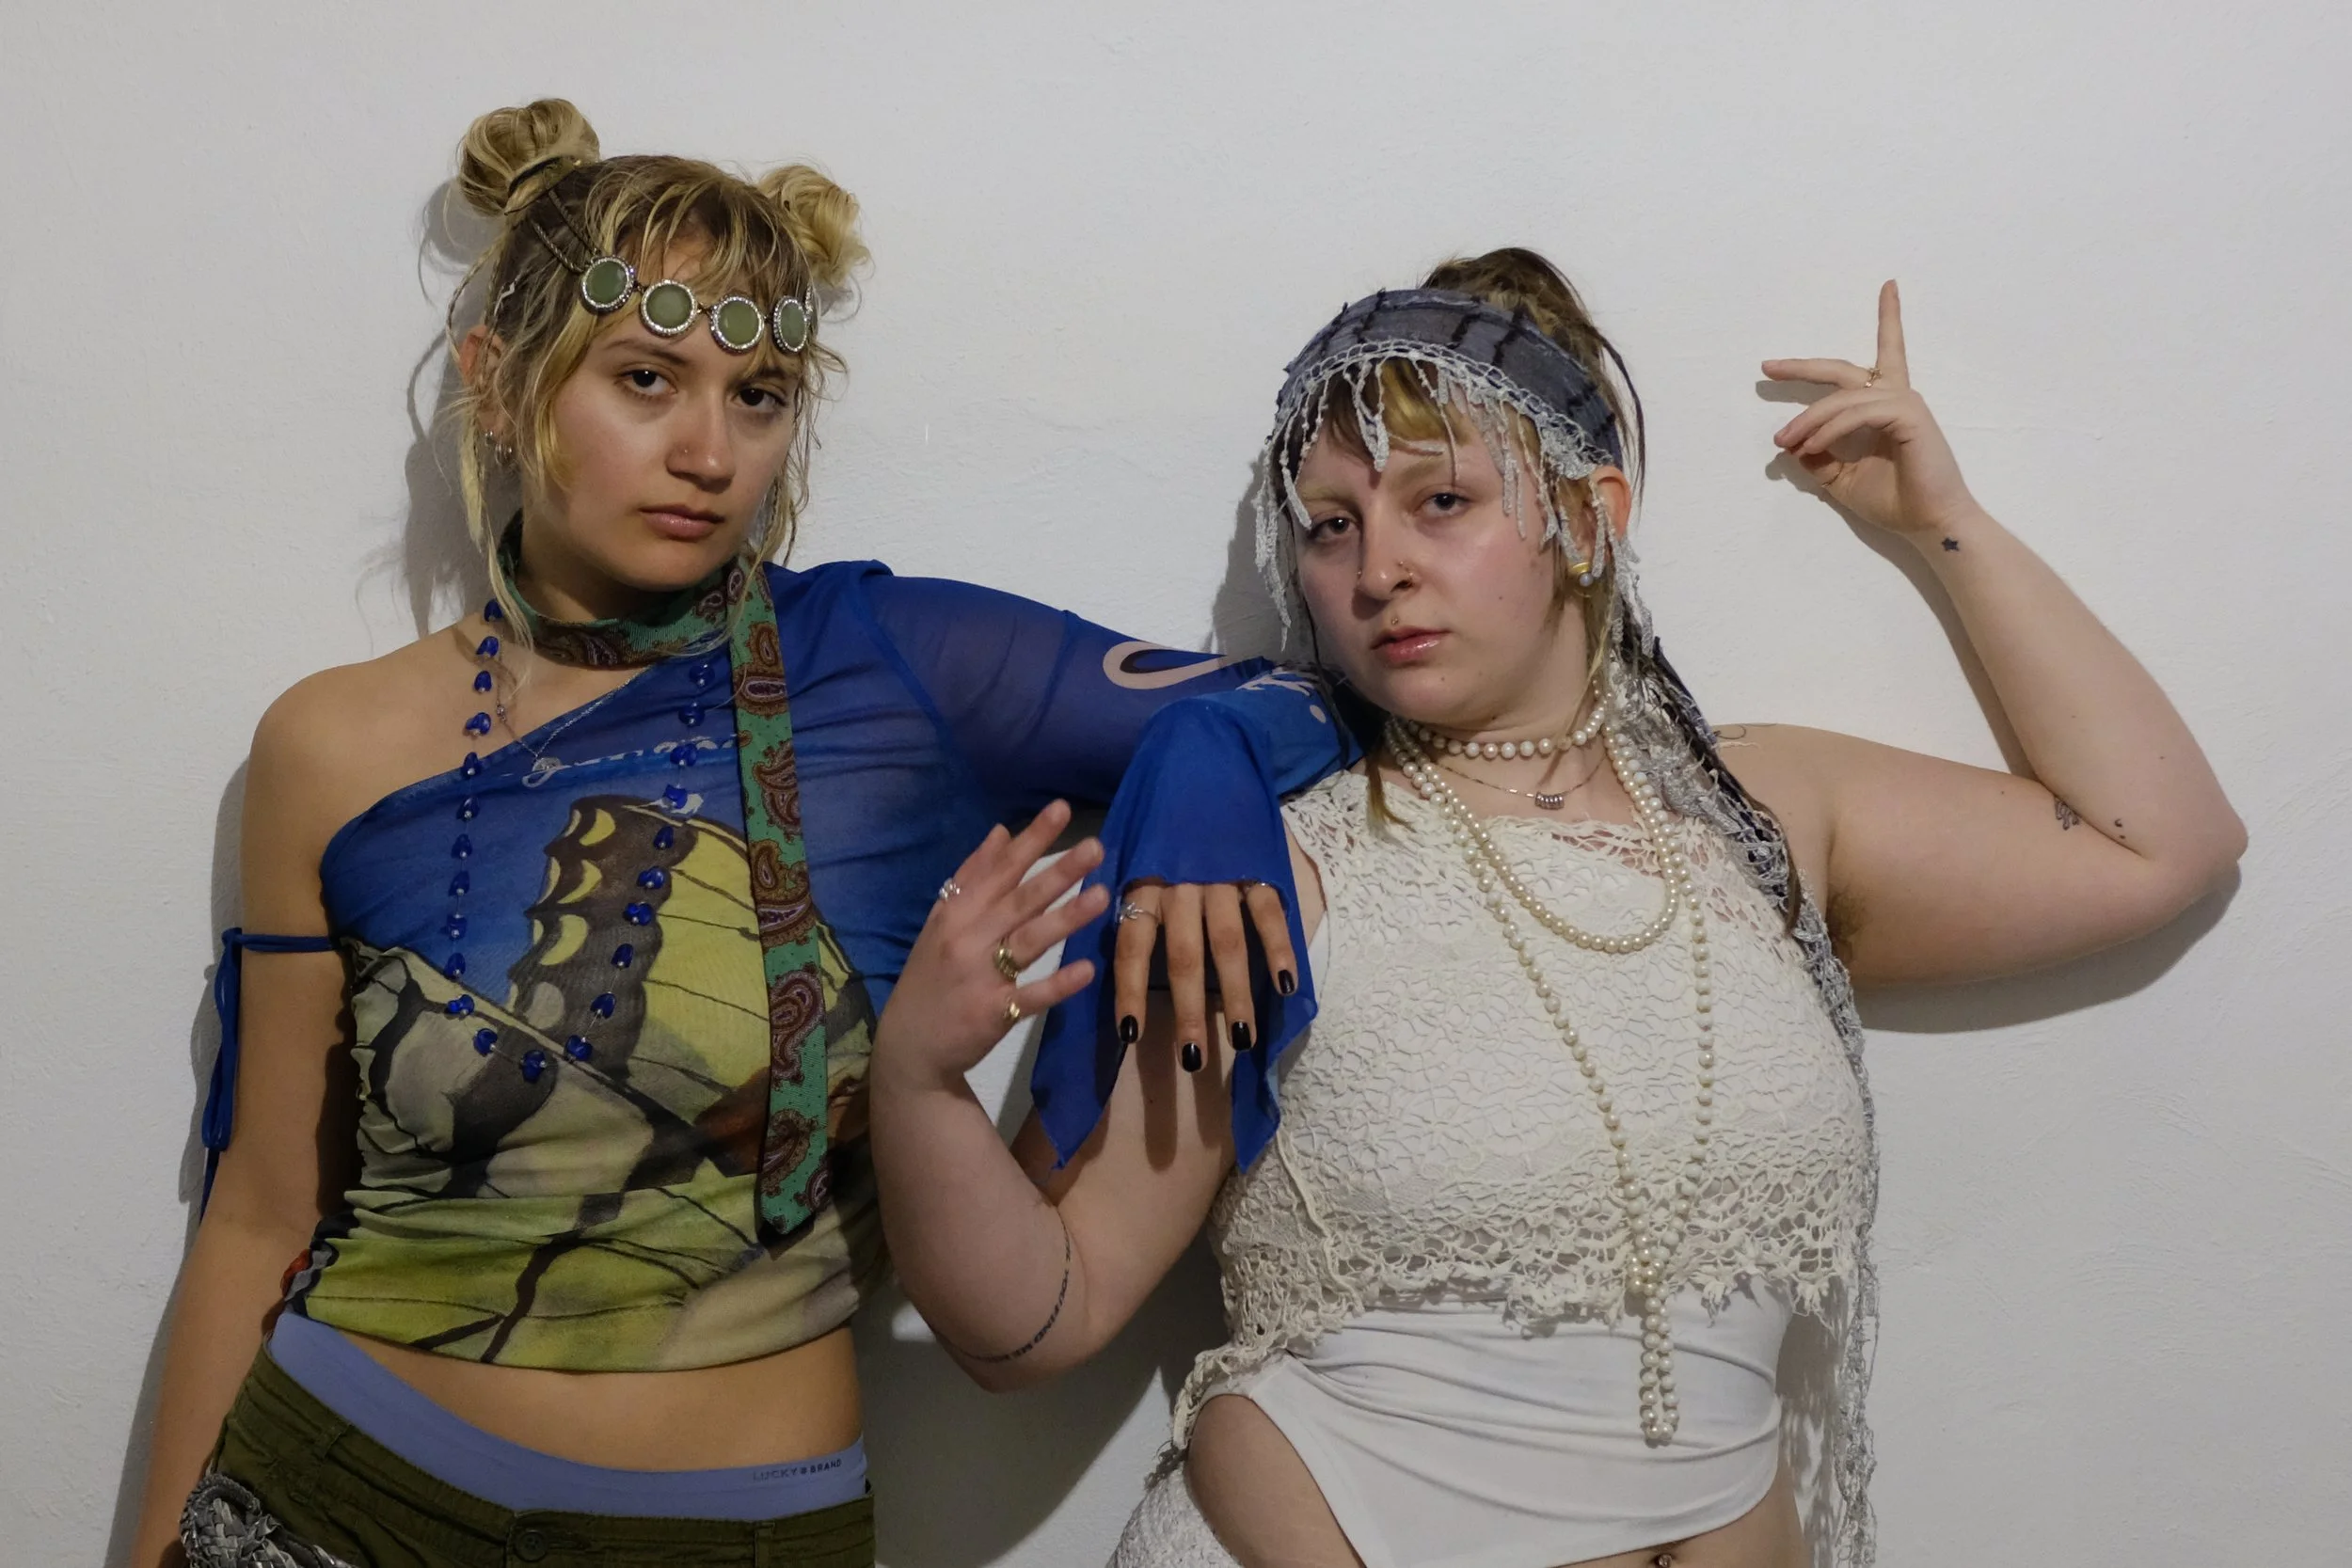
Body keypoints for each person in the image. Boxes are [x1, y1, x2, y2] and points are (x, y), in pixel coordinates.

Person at [868, 249, 2246, 1568]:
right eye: (1333, 526)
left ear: (1590, 516)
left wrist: (1941, 520)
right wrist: (922, 1081)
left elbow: (2159, 844)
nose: (1377, 568)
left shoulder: (1761, 811)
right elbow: (1037, 1318)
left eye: (1441, 502)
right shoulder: (1272, 865)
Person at [135, 99, 1340, 1568]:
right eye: (648, 379)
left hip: (736, 1535)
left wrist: (1207, 778)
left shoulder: (895, 660)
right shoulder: (326, 743)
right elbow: (262, 1214)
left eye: (758, 395)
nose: (710, 449)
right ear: (498, 389)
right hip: (329, 1497)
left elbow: (1309, 702)